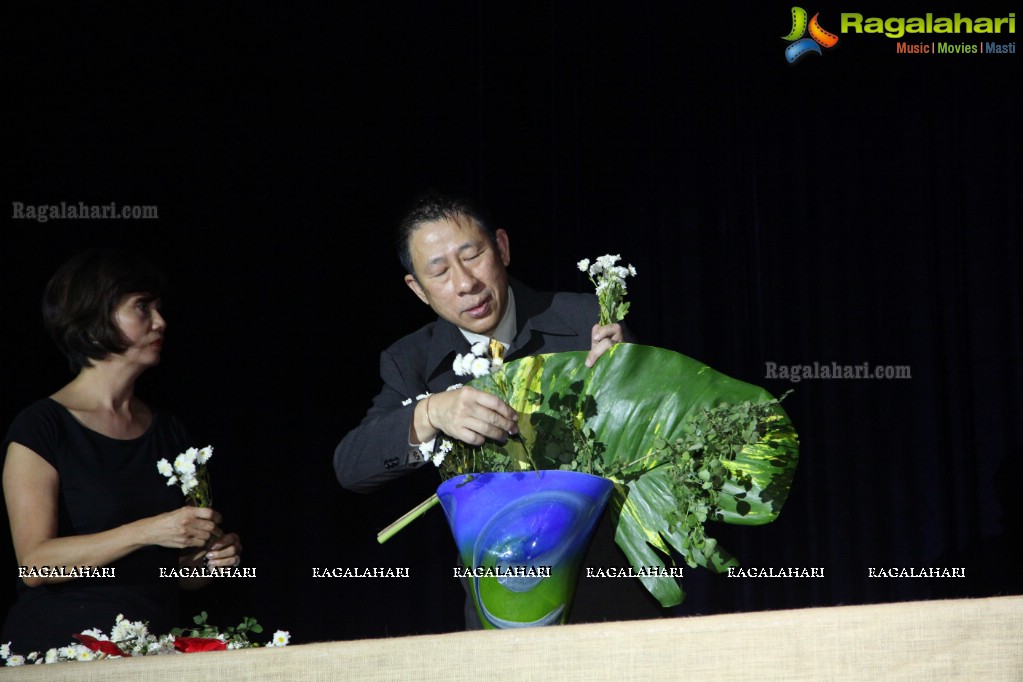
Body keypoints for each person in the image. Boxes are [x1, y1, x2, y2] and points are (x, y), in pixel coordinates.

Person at [334, 192, 665, 627]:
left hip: (609, 596)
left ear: (502, 248)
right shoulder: (411, 360)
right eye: (439, 272)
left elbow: (664, 446)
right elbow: (351, 467)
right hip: (500, 610)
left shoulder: (586, 321)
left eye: (472, 256)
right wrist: (429, 413)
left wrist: (631, 384)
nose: (465, 283)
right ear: (417, 289)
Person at [1, 248, 243, 653]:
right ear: (94, 320)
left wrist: (209, 563)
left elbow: (178, 576)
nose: (160, 321)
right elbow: (34, 566)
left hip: (150, 646)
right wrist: (150, 530)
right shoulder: (41, 426)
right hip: (59, 648)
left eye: (158, 308)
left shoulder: (171, 431)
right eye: (142, 307)